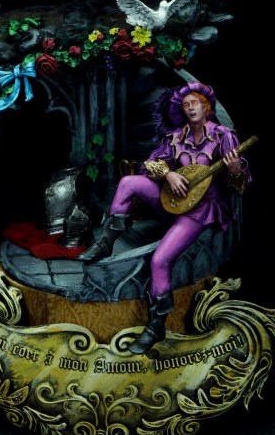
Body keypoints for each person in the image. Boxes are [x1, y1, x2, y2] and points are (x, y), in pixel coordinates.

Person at [78, 81, 251, 355]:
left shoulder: (223, 136)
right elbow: (150, 164)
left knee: (160, 260)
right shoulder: (177, 137)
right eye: (186, 104)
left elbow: (240, 186)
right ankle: (106, 242)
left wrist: (234, 170)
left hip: (199, 210)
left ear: (206, 107)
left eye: (195, 103)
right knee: (128, 183)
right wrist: (169, 174)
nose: (190, 108)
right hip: (173, 199)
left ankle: (155, 326)